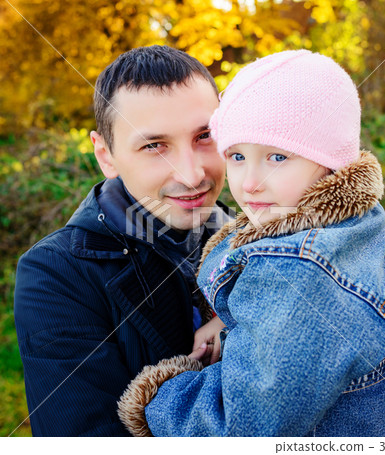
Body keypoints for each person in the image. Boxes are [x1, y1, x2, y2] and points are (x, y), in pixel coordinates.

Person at [117, 50, 385, 437]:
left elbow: (244, 426)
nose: (250, 181)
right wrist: (227, 330)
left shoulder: (297, 267)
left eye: (276, 156)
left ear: (329, 162)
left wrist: (159, 398)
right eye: (236, 155)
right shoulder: (353, 225)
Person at [14, 45, 233, 436]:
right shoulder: (55, 274)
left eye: (205, 136)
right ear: (106, 155)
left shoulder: (250, 237)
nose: (191, 173)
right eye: (154, 146)